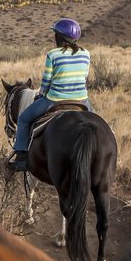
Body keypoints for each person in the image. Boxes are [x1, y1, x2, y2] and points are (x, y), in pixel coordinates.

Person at [9, 18, 92, 172]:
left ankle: (21, 157)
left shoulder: (53, 54)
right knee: (96, 122)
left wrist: (41, 94)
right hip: (81, 99)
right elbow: (85, 77)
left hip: (54, 99)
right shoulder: (86, 53)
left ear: (59, 37)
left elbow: (46, 80)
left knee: (23, 119)